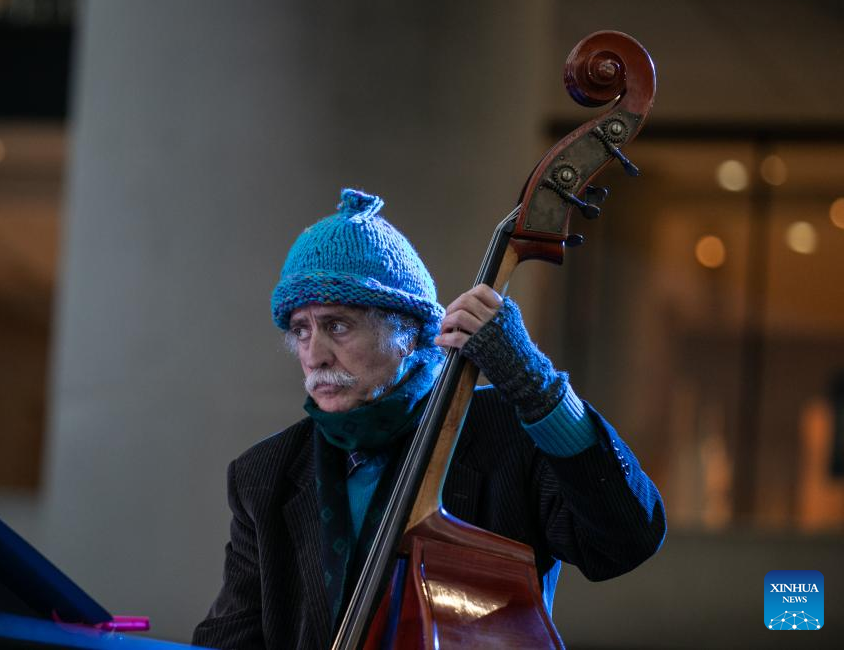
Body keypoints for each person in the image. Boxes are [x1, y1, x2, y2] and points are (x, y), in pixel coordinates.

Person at [193, 188, 665, 650]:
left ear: (408, 331)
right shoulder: (264, 473)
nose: (314, 354)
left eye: (337, 325)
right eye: (301, 330)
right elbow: (228, 638)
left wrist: (537, 387)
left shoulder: (507, 431)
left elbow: (626, 540)